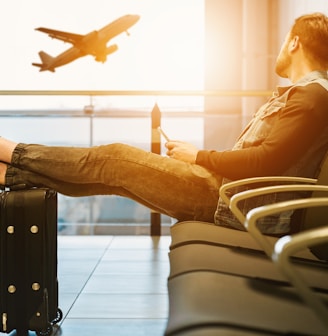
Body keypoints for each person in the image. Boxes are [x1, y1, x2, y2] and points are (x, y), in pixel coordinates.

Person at [1, 12, 328, 235]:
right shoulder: (307, 95)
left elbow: (265, 160)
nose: (281, 48)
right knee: (114, 178)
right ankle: (7, 171)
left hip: (228, 200)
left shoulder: (311, 97)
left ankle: (8, 151)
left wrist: (198, 157)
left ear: (295, 43)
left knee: (112, 158)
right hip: (229, 193)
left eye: (285, 40)